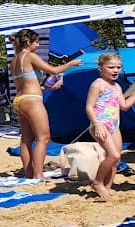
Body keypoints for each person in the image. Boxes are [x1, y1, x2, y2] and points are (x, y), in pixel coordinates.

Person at [12, 29, 75, 180]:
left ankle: (29, 173)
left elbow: (27, 82)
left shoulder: (15, 60)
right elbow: (53, 70)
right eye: (37, 42)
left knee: (26, 139)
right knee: (43, 138)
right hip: (32, 100)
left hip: (20, 100)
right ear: (28, 42)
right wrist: (71, 63)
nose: (38, 45)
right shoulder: (30, 56)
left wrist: (47, 88)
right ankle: (38, 174)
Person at [84, 53, 135, 200]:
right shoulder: (97, 84)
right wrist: (97, 125)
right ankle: (98, 183)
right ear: (100, 68)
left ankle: (107, 187)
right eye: (111, 67)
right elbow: (89, 107)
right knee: (114, 155)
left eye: (118, 67)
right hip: (100, 125)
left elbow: (124, 106)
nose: (115, 70)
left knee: (116, 160)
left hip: (114, 126)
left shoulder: (117, 86)